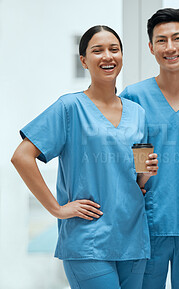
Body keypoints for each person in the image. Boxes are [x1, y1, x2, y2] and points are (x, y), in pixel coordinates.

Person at [11, 25, 158, 289]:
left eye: (114, 49)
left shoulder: (138, 113)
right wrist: (56, 208)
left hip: (133, 238)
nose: (108, 56)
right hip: (88, 240)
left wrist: (147, 171)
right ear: (84, 60)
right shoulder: (69, 108)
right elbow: (22, 156)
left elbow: (139, 179)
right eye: (97, 50)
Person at [119, 8, 179, 289]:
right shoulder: (133, 97)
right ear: (151, 47)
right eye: (161, 40)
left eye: (177, 38)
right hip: (148, 225)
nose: (170, 47)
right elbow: (123, 159)